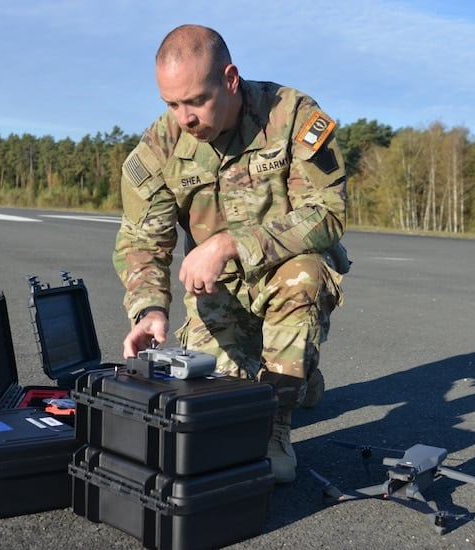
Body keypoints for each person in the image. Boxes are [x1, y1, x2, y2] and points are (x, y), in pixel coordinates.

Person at [113, 24, 350, 483]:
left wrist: (230, 244)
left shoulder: (292, 116)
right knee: (218, 395)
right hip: (218, 289)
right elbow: (143, 240)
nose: (185, 118)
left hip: (284, 272)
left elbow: (327, 214)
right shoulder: (160, 146)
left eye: (196, 100)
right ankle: (297, 372)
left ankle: (275, 423)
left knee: (302, 276)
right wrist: (148, 309)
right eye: (172, 104)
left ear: (230, 79)